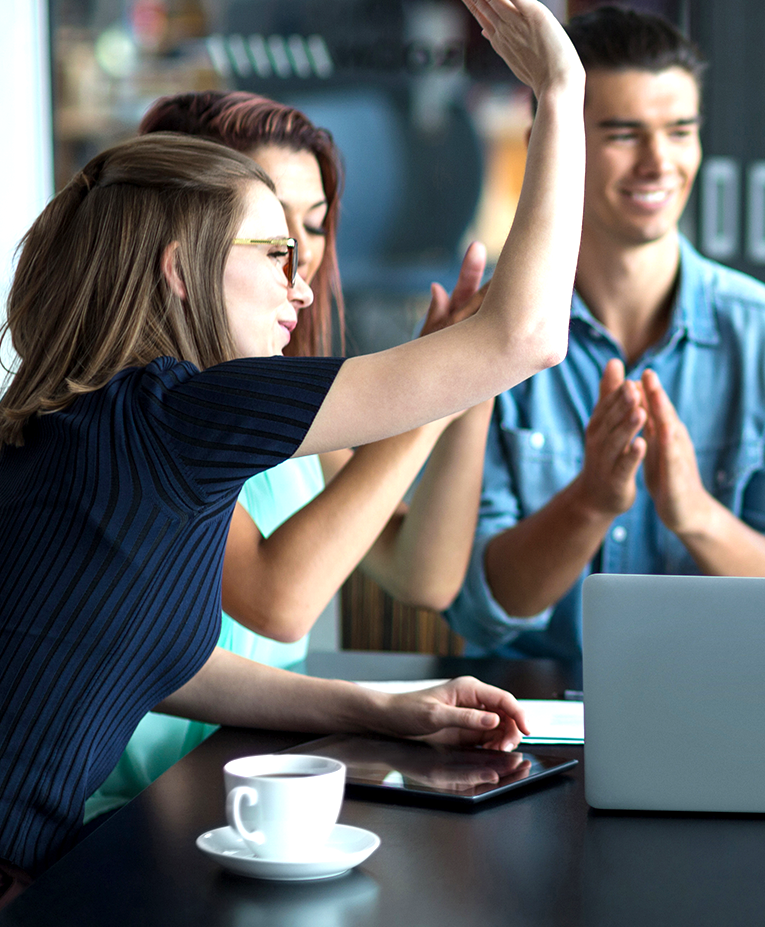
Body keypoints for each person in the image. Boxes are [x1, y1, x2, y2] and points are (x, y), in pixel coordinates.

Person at [0, 0, 573, 927]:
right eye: (273, 253)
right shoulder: (183, 413)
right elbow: (525, 336)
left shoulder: (99, 422)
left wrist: (386, 710)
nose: (302, 282)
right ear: (183, 270)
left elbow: (159, 660)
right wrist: (560, 91)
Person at [79, 91, 496, 822]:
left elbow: (422, 573)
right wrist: (448, 375)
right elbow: (278, 601)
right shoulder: (155, 409)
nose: (300, 255)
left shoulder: (287, 401)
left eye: (314, 224)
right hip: (135, 806)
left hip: (246, 786)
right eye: (266, 224)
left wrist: (467, 394)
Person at [444, 5, 765, 661]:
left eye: (680, 131)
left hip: (728, 712)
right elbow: (480, 609)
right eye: (624, 133)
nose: (659, 162)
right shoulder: (485, 340)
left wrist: (694, 515)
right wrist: (590, 503)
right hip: (525, 730)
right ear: (555, 145)